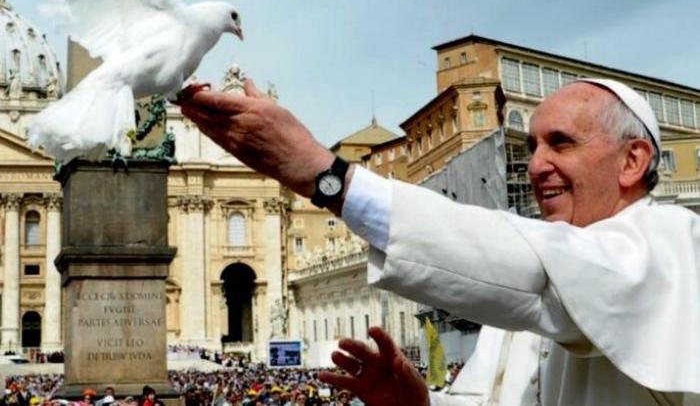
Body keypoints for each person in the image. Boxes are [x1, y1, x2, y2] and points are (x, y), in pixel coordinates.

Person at [175, 77, 700, 405]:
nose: (538, 164)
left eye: (561, 143)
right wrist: (420, 402)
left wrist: (326, 176)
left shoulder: (675, 244)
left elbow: (540, 271)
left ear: (633, 161)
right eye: (532, 145)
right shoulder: (524, 299)